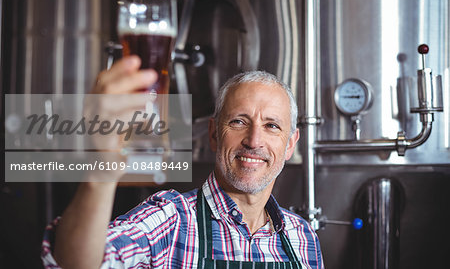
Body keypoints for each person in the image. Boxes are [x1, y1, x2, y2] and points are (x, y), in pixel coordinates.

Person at [41, 55, 324, 268]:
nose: (254, 140)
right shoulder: (170, 220)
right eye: (239, 121)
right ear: (213, 134)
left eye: (272, 126)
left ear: (290, 144)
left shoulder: (303, 237)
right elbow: (76, 262)